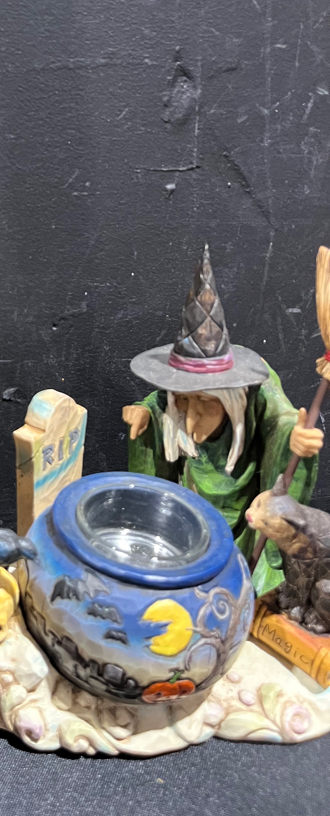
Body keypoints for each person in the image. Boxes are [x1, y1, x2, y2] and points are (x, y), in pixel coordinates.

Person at [123, 245, 322, 595]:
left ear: (233, 398)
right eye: (185, 399)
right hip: (189, 516)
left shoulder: (258, 398)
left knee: (240, 588)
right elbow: (161, 403)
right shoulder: (174, 405)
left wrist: (296, 440)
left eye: (206, 402)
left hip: (242, 526)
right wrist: (146, 412)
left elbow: (283, 420)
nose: (192, 414)